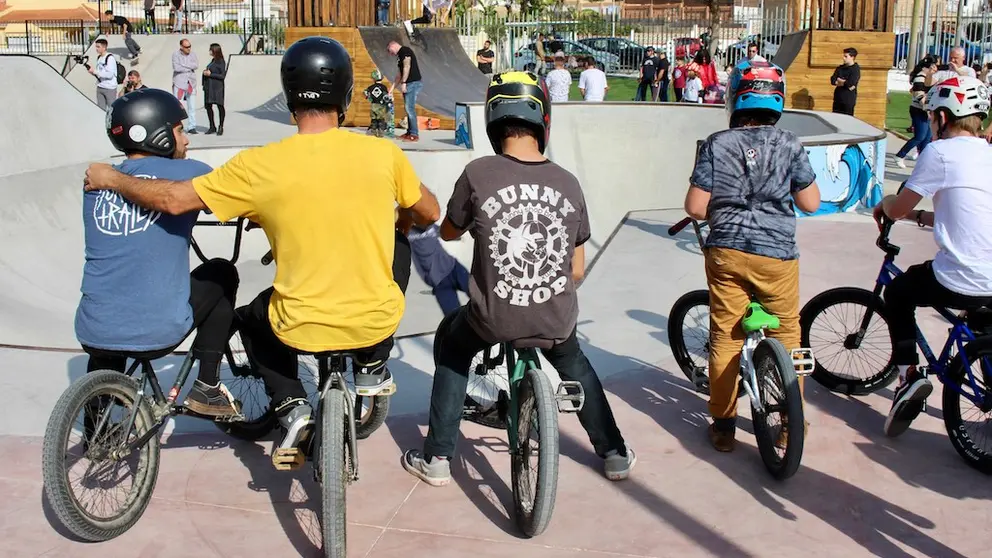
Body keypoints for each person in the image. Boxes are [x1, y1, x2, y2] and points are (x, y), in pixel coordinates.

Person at [83, 37, 442, 454]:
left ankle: (290, 402)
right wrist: (395, 216)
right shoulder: (384, 154)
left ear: (289, 95)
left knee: (252, 319)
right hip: (375, 318)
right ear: (345, 93)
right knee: (399, 242)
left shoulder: (258, 165)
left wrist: (113, 178)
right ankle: (372, 362)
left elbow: (174, 199)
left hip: (299, 323)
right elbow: (430, 212)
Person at [401, 71, 636, 487]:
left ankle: (437, 458)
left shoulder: (478, 173)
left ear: (492, 121)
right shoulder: (568, 182)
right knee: (575, 363)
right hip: (553, 317)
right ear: (543, 121)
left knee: (455, 350)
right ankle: (614, 453)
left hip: (491, 318)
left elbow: (450, 231)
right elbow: (577, 270)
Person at [684, 57, 821, 452]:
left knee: (726, 336)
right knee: (787, 333)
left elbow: (695, 207)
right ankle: (788, 422)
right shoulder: (790, 143)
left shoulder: (717, 143)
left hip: (727, 251)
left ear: (734, 99)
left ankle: (724, 427)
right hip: (777, 255)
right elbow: (810, 203)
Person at [77, 88, 240, 417]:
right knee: (222, 272)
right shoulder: (189, 173)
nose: (187, 141)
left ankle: (96, 427)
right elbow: (236, 200)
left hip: (90, 330)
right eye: (180, 131)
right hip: (158, 331)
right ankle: (207, 387)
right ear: (159, 135)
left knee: (109, 316)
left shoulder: (95, 182)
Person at [872, 75, 992, 438]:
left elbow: (898, 207)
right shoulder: (988, 153)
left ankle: (908, 374)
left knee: (898, 293)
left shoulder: (938, 152)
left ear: (941, 116)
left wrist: (887, 206)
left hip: (961, 276)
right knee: (983, 319)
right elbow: (969, 210)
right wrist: (924, 218)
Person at [404, 223, 469, 316]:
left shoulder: (431, 226)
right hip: (438, 280)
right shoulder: (406, 231)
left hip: (454, 268)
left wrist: (458, 236)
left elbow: (447, 233)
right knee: (453, 317)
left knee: (480, 296)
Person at [893, 55, 936, 168]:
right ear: (931, 66)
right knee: (920, 136)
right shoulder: (920, 77)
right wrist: (927, 109)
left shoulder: (928, 77)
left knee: (927, 137)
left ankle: (923, 161)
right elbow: (918, 95)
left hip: (925, 110)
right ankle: (900, 155)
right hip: (919, 110)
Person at [388, 40, 423, 142]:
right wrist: (392, 89)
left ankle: (414, 134)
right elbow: (399, 75)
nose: (390, 54)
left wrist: (404, 83)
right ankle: (409, 132)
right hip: (409, 83)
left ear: (392, 46)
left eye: (389, 51)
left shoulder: (404, 50)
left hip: (413, 83)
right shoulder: (399, 56)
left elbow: (407, 65)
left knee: (409, 108)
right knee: (408, 108)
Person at [172, 38, 199, 134]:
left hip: (190, 82)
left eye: (190, 46)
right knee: (178, 105)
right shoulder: (175, 54)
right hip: (179, 82)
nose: (189, 49)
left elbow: (196, 65)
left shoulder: (193, 54)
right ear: (181, 47)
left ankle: (192, 126)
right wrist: (188, 66)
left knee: (192, 105)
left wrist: (184, 65)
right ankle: (178, 126)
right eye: (186, 47)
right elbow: (176, 67)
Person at [203, 43, 227, 136]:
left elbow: (222, 75)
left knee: (220, 106)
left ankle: (221, 126)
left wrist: (210, 74)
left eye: (211, 50)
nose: (209, 51)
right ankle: (212, 126)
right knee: (208, 106)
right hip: (209, 87)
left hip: (217, 87)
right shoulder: (213, 60)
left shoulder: (221, 61)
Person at [364, 68, 395, 138]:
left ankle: (373, 130)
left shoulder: (370, 87)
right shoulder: (384, 87)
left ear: (373, 78)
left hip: (373, 105)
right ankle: (381, 131)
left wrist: (369, 99)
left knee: (374, 119)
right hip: (381, 106)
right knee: (381, 119)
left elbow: (365, 93)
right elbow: (386, 96)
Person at [90, 38, 120, 111]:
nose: (96, 49)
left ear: (104, 47)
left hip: (109, 88)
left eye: (98, 47)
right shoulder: (99, 58)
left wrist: (96, 72)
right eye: (96, 47)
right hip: (100, 86)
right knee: (100, 109)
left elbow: (110, 74)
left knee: (111, 110)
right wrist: (93, 72)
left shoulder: (110, 58)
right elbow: (100, 73)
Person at [830, 47, 860, 115]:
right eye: (844, 56)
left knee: (847, 121)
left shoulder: (855, 69)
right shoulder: (840, 68)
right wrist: (843, 82)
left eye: (846, 56)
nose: (844, 58)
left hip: (848, 100)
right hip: (838, 99)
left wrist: (840, 81)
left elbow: (851, 83)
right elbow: (832, 80)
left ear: (852, 57)